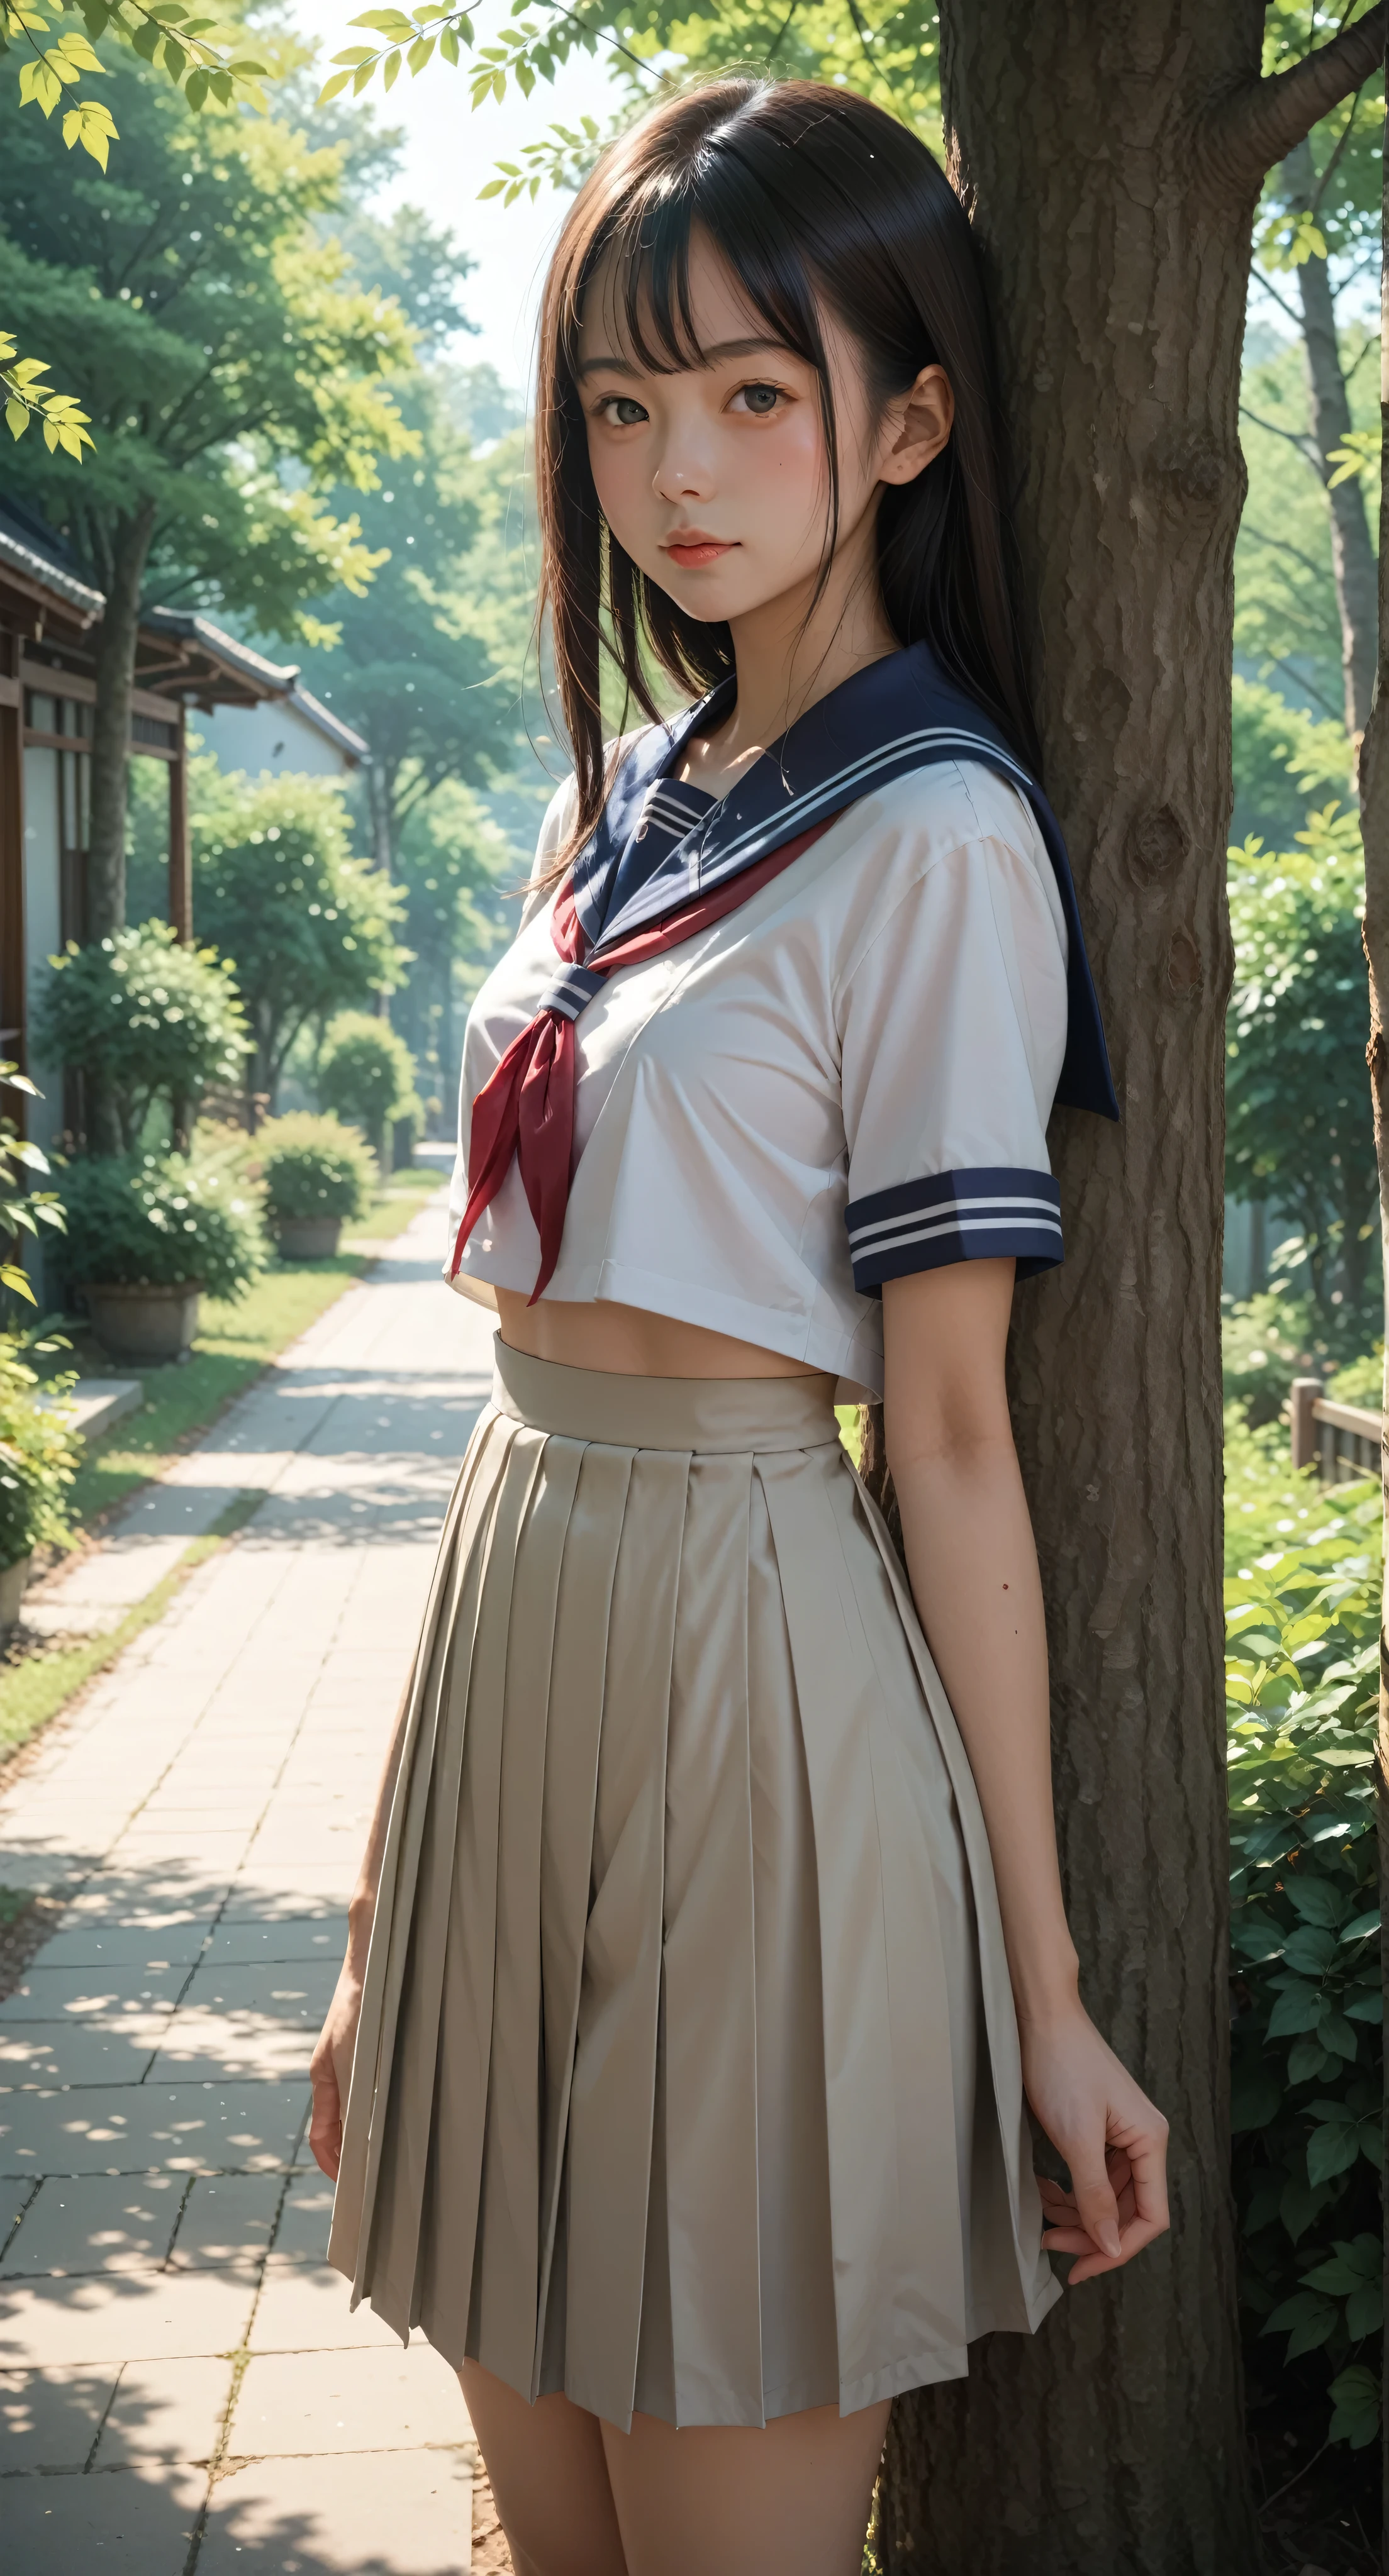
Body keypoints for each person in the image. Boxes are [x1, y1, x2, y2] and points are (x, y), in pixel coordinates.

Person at [310, 74, 1170, 2576]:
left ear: (904, 419)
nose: (679, 468)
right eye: (621, 402)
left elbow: (956, 1442)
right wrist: (383, 1927)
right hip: (513, 1641)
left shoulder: (937, 839)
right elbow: (522, 1383)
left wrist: (1050, 1992)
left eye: (752, 394)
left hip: (746, 1692)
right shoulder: (630, 808)